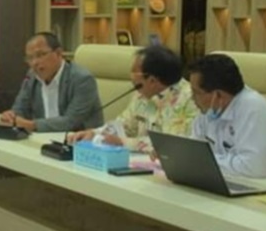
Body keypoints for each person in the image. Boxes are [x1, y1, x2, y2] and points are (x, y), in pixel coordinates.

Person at [188, 54, 266, 183]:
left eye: (196, 92)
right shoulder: (209, 109)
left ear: (218, 95)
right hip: (228, 183)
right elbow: (194, 151)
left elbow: (253, 168)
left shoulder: (254, 108)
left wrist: (204, 162)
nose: (192, 98)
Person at [68, 46, 198, 152]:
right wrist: (95, 133)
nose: (131, 77)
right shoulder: (142, 94)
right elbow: (124, 125)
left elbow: (172, 145)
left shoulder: (192, 99)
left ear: (152, 80)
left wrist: (123, 142)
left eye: (134, 72)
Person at [0, 32, 102, 132]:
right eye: (30, 58)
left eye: (40, 55)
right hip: (43, 138)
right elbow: (20, 108)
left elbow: (71, 121)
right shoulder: (32, 76)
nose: (34, 62)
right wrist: (11, 116)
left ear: (58, 53)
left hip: (78, 140)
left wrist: (32, 125)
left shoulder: (82, 79)